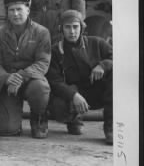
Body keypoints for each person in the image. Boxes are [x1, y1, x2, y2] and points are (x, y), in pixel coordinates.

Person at [46, 10, 113, 145]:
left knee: (116, 77)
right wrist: (73, 95)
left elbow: (118, 57)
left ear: (81, 27)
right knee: (59, 106)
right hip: (74, 95)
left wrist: (103, 65)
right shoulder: (55, 51)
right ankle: (73, 120)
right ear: (61, 29)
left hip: (97, 92)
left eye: (75, 27)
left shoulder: (97, 43)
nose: (72, 31)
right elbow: (55, 81)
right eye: (68, 27)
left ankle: (110, 127)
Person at [0, 0, 51, 138]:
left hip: (31, 79)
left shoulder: (41, 32)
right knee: (7, 130)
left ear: (28, 10)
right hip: (9, 81)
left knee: (40, 89)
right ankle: (11, 116)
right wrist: (6, 78)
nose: (16, 14)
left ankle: (39, 117)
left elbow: (43, 62)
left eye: (19, 9)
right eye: (11, 10)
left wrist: (21, 77)